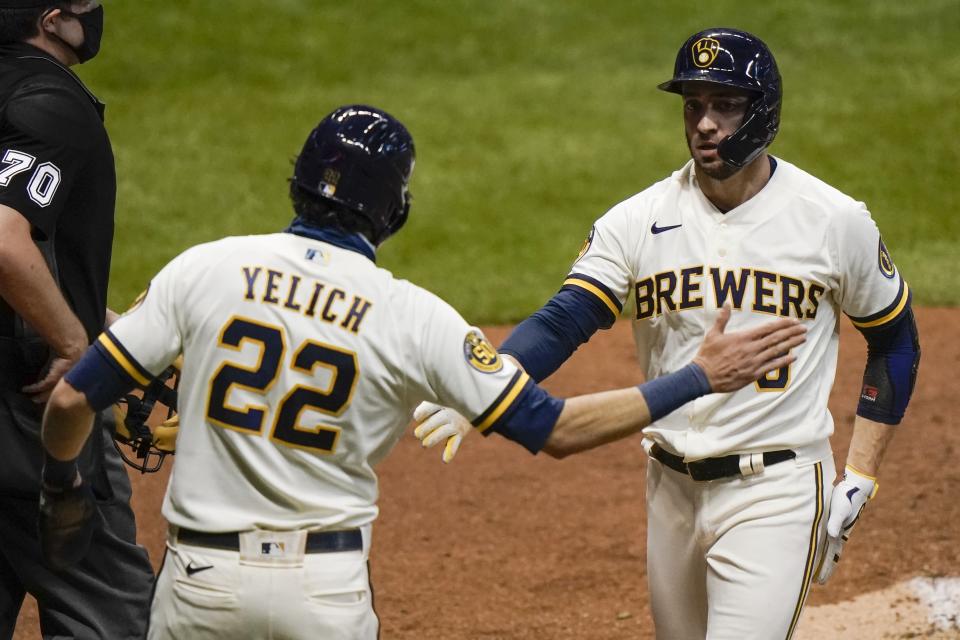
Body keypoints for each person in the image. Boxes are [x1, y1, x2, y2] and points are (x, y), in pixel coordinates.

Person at [36, 104, 805, 640]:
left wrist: (63, 487)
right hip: (321, 599)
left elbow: (73, 397)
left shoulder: (203, 269)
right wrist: (698, 375)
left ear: (297, 182)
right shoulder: (414, 315)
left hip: (200, 582)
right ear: (395, 210)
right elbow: (555, 429)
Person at [414, 27, 921, 639]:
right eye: (693, 105)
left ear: (763, 111)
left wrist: (860, 477)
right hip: (670, 488)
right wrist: (486, 385)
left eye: (725, 105)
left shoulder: (834, 221)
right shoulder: (637, 219)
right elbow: (564, 319)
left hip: (777, 490)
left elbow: (896, 340)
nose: (705, 123)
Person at [0, 1, 154, 638]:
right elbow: (5, 241)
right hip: (28, 412)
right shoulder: (47, 102)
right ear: (52, 20)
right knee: (112, 612)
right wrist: (73, 345)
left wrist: (111, 332)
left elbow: (40, 261)